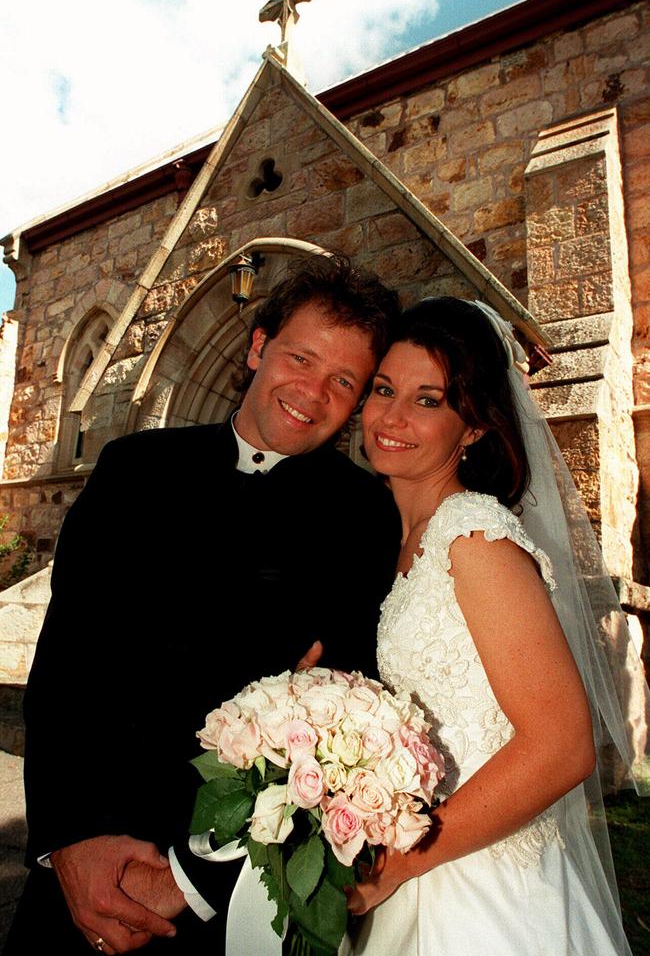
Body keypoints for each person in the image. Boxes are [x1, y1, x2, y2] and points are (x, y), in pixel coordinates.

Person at [5, 256, 402, 955]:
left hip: (222, 888)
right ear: (256, 347)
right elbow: (67, 667)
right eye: (300, 359)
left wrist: (191, 880)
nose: (313, 393)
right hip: (79, 871)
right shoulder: (133, 469)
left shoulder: (366, 516)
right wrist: (68, 840)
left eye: (344, 381)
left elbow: (332, 719)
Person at [344, 296, 646, 956]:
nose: (390, 417)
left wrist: (404, 862)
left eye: (429, 400)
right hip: (417, 863)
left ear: (474, 426)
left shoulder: (474, 539)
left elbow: (562, 745)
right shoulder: (400, 541)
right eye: (383, 389)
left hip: (479, 889)